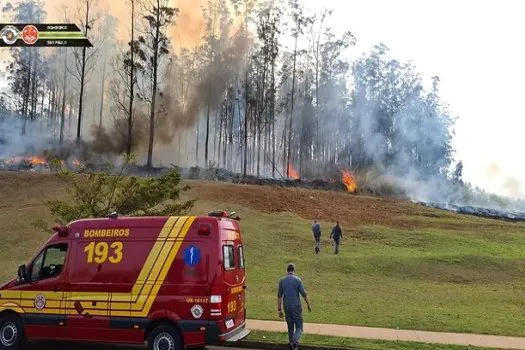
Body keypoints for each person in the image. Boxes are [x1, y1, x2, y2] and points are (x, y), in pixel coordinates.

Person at [277, 263, 312, 350]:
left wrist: (279, 309)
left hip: (286, 306)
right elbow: (304, 294)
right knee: (299, 327)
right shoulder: (297, 280)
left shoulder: (282, 280)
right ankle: (294, 341)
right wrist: (308, 305)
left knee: (290, 326)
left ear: (287, 270)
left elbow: (279, 296)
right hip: (296, 306)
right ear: (294, 270)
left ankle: (292, 346)